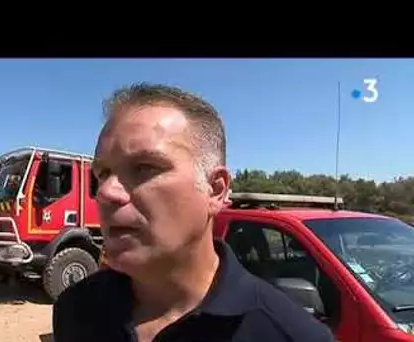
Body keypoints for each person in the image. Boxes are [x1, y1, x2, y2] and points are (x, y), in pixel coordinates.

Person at [52, 83, 335, 342]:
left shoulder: (292, 335)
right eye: (102, 173)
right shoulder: (75, 308)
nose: (105, 192)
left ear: (215, 190)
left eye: (144, 168)